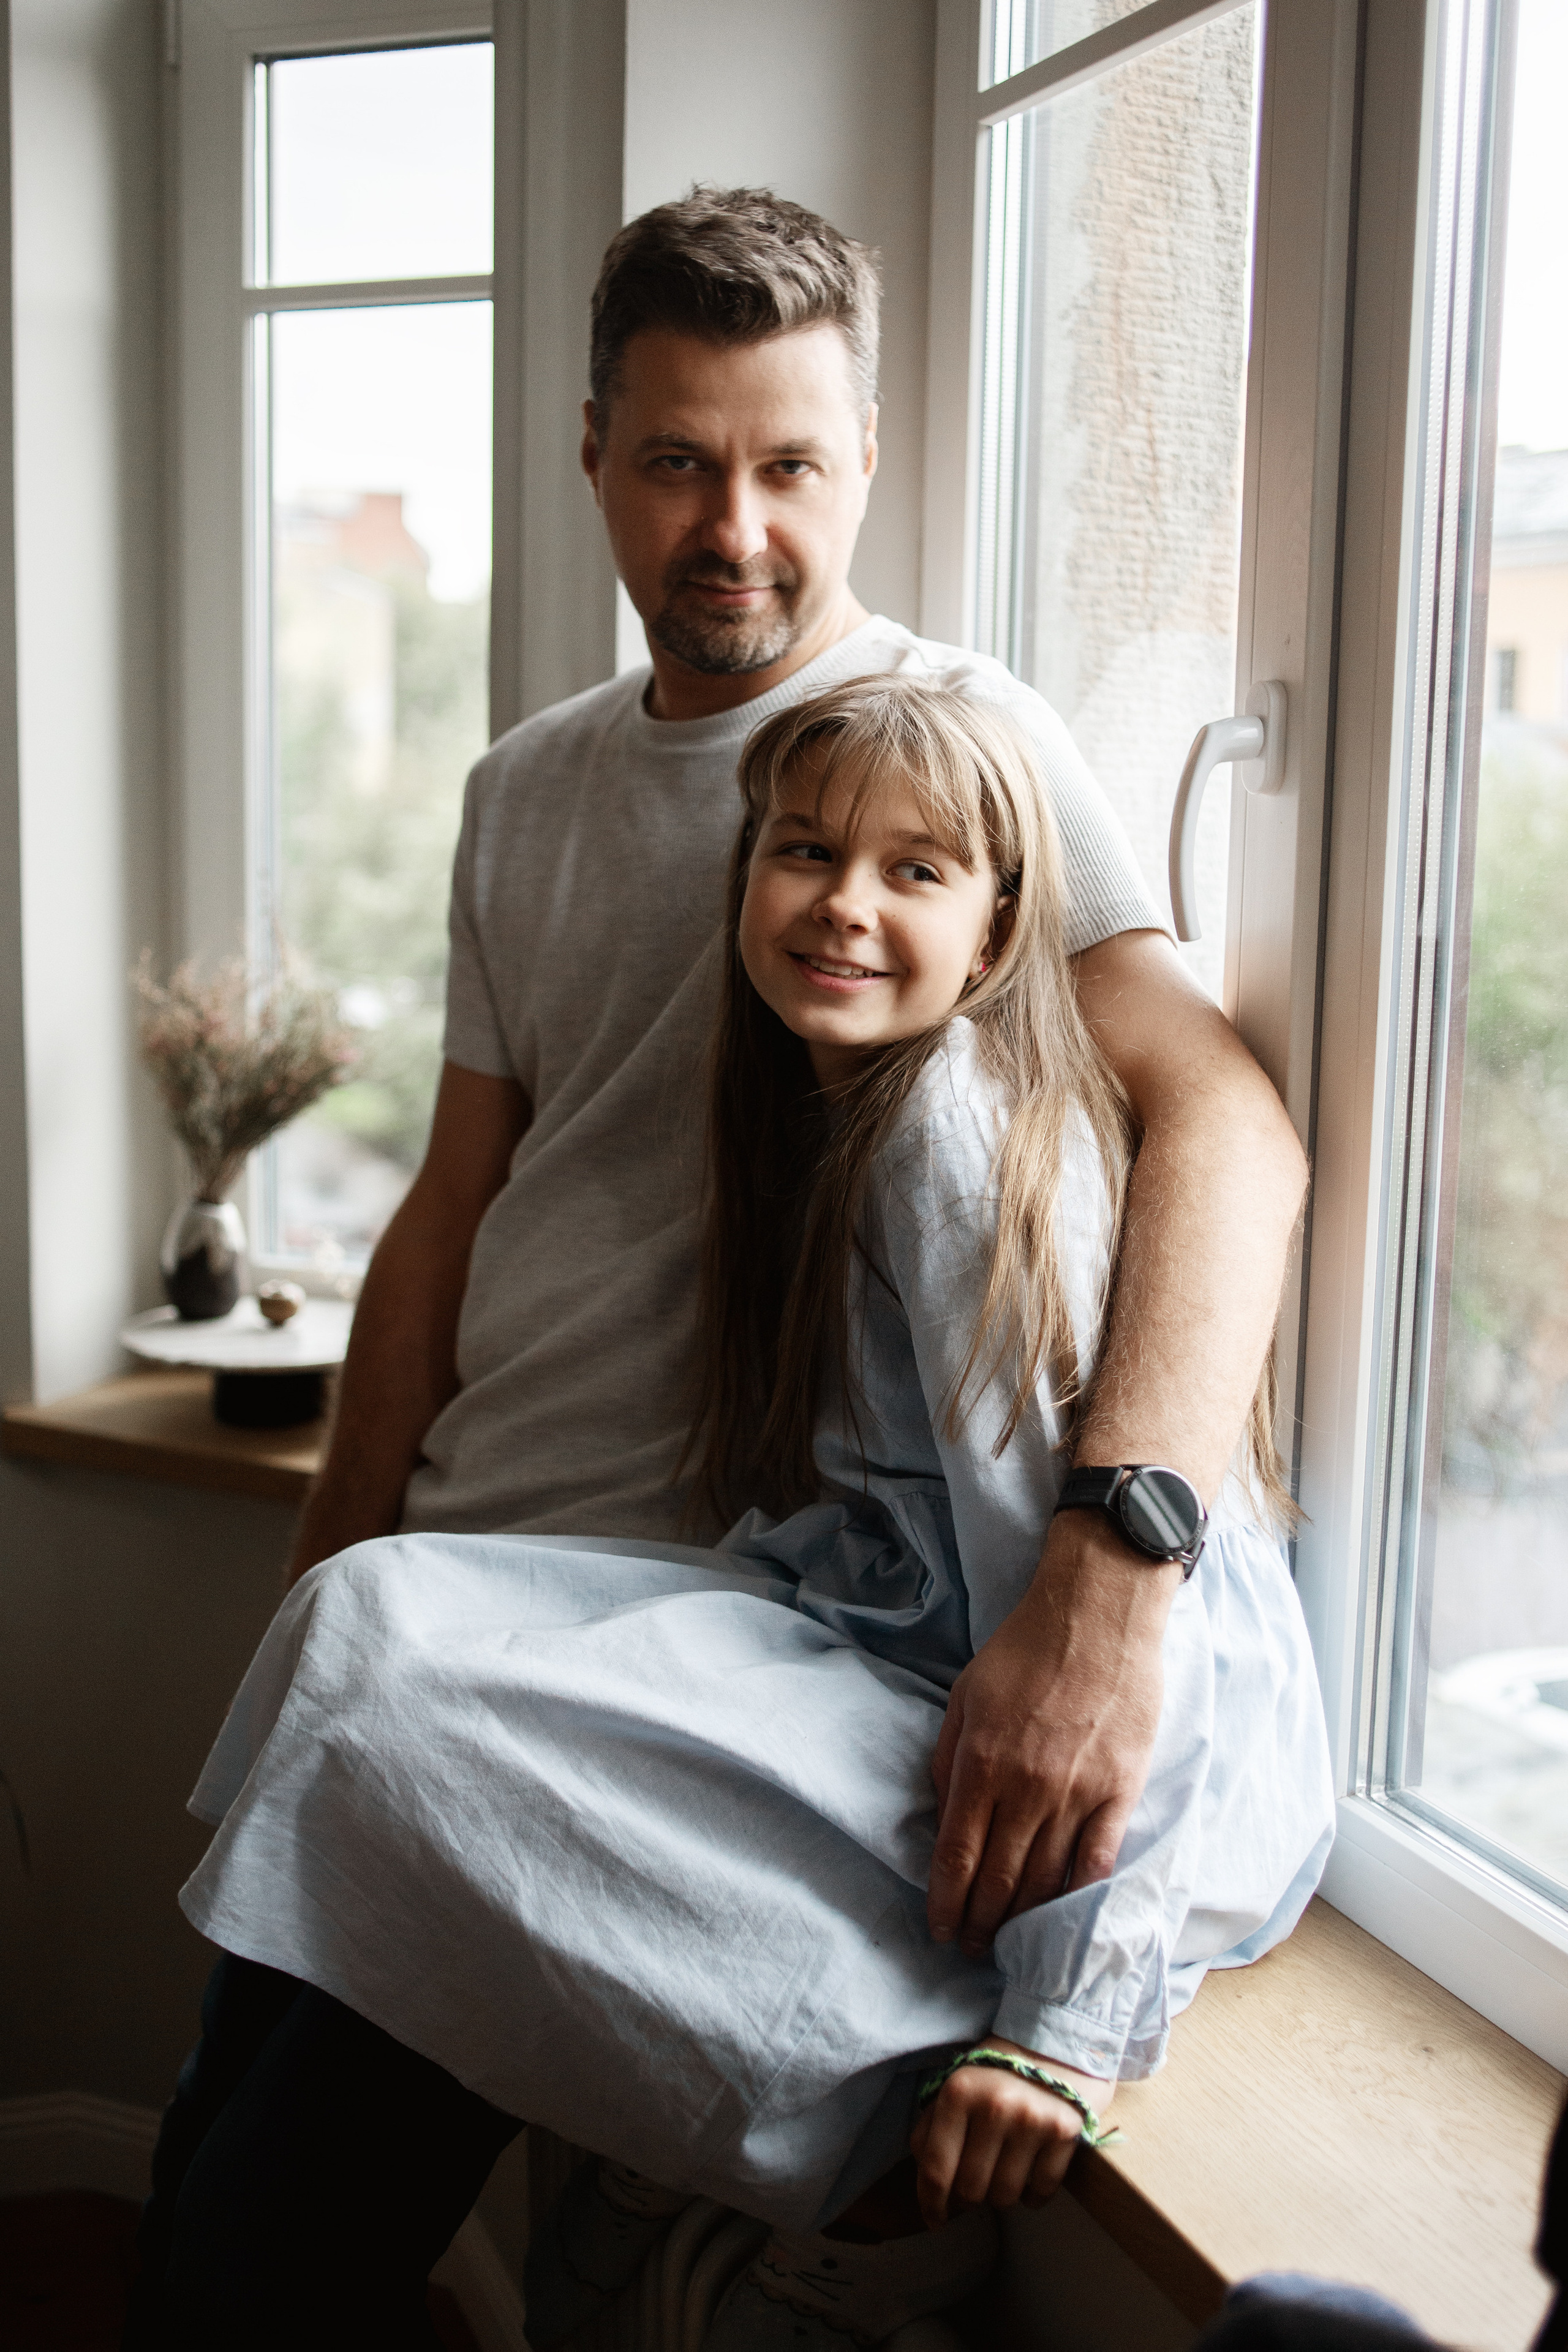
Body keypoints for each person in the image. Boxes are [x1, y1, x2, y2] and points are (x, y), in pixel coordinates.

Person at [132, 680, 1334, 2350]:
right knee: (357, 1618)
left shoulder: (954, 1139)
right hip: (881, 1628)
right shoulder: (831, 1109)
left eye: (917, 872)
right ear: (746, 875)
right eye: (807, 853)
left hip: (1128, 1779)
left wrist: (1064, 2028)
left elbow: (1127, 1657)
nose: (846, 903)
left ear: (999, 935)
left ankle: (826, 2184)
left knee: (410, 1734)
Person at [282, 187, 1310, 1966]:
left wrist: (1118, 1561)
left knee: (300, 2128)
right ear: (594, 454)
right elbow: (452, 1207)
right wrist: (324, 1561)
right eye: (678, 463)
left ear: (868, 462)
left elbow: (1225, 1119)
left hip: (710, 1616)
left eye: (791, 467)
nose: (735, 529)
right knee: (263, 2073)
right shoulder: (520, 787)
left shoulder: (953, 744)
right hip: (451, 1572)